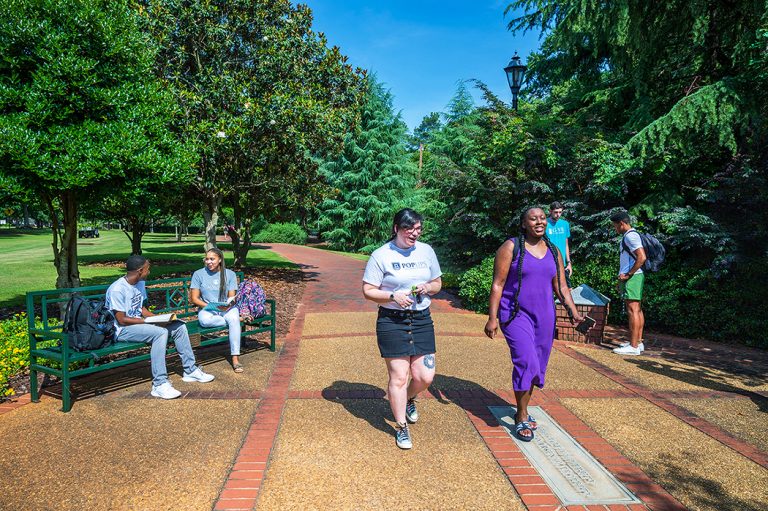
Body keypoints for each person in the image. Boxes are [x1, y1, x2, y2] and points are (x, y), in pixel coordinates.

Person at [484, 207, 584, 442]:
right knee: (526, 360)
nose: (539, 222)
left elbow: (561, 286)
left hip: (545, 316)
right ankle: (521, 415)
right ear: (524, 224)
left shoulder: (553, 250)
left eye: (542, 218)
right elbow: (497, 284)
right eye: (533, 219)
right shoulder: (511, 247)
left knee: (537, 365)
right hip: (516, 314)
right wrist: (492, 317)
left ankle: (523, 407)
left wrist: (574, 312)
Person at [362, 208, 442, 450]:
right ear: (396, 228)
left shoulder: (426, 251)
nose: (414, 233)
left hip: (421, 320)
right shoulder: (381, 255)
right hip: (391, 322)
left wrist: (427, 288)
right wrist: (392, 295)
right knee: (399, 377)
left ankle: (408, 398)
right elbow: (368, 290)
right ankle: (401, 427)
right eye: (410, 229)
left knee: (424, 376)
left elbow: (438, 283)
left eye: (418, 229)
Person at [105, 255, 215, 400]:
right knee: (160, 333)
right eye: (147, 269)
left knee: (178, 326)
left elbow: (141, 308)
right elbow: (122, 319)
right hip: (122, 330)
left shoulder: (139, 283)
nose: (149, 271)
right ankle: (159, 384)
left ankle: (190, 370)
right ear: (139, 270)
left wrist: (159, 319)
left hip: (138, 323)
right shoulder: (117, 289)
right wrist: (149, 322)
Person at [190, 248, 243, 372]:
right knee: (205, 322)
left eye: (212, 259)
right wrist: (210, 307)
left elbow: (231, 297)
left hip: (226, 308)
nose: (209, 262)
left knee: (233, 319)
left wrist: (227, 306)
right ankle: (235, 320)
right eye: (207, 259)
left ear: (220, 260)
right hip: (207, 307)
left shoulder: (230, 274)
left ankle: (235, 358)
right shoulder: (198, 274)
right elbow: (194, 298)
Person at [610, 211, 647, 355]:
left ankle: (633, 347)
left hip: (633, 277)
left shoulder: (630, 236)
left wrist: (628, 274)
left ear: (621, 223)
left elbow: (641, 257)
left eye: (615, 226)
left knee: (633, 310)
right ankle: (637, 342)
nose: (615, 229)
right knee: (637, 309)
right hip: (635, 277)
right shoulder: (632, 235)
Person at [546, 201, 572, 288]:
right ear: (550, 211)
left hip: (562, 264)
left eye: (560, 212)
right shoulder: (544, 224)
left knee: (567, 289)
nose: (558, 215)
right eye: (556, 212)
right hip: (548, 262)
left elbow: (566, 245)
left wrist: (569, 263)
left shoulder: (565, 224)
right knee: (549, 289)